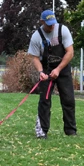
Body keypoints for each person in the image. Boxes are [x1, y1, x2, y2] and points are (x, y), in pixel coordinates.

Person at [28, 10, 77, 139]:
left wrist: (58, 69)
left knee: (68, 100)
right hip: (46, 70)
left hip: (63, 68)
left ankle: (71, 131)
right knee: (44, 101)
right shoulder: (36, 36)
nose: (52, 26)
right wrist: (41, 72)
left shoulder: (63, 30)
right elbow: (34, 57)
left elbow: (70, 52)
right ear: (42, 22)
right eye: (49, 24)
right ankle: (42, 131)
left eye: (53, 23)